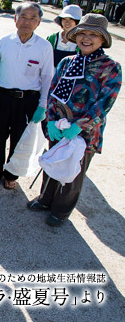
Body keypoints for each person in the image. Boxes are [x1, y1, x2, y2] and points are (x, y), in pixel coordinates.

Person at [27, 14, 121, 226]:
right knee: (53, 163)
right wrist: (51, 120)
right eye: (82, 34)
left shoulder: (110, 67)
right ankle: (45, 199)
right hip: (59, 126)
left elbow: (105, 103)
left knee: (73, 173)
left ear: (102, 40)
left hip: (85, 132)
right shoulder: (67, 62)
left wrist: (79, 126)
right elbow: (52, 93)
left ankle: (61, 211)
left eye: (93, 35)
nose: (86, 38)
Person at [0, 2, 55, 190]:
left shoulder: (44, 46)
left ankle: (11, 174)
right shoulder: (3, 42)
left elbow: (48, 77)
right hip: (2, 97)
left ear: (39, 22)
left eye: (33, 18)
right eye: (23, 16)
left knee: (19, 138)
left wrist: (43, 105)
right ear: (15, 18)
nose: (27, 21)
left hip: (28, 100)